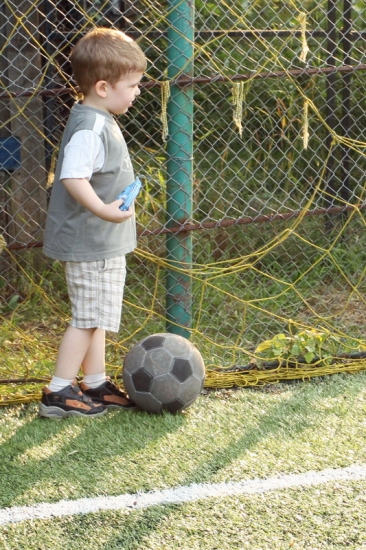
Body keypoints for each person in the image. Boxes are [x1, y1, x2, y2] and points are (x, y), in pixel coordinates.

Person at [40, 27, 147, 418]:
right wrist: (103, 210)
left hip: (103, 242)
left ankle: (95, 382)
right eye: (132, 84)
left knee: (97, 315)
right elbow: (72, 177)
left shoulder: (100, 117)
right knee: (86, 319)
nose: (137, 91)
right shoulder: (91, 125)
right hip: (90, 242)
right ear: (103, 86)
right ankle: (58, 391)